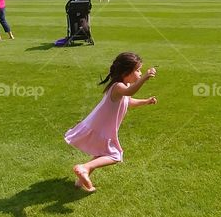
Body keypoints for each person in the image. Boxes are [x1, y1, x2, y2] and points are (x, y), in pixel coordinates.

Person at [64, 52, 158, 192]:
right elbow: (130, 92)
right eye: (138, 70)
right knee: (115, 155)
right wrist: (144, 78)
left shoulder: (121, 87)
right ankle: (85, 167)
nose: (140, 73)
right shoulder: (118, 87)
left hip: (100, 127)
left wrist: (146, 101)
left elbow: (129, 101)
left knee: (101, 153)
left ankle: (81, 181)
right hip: (102, 129)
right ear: (126, 72)